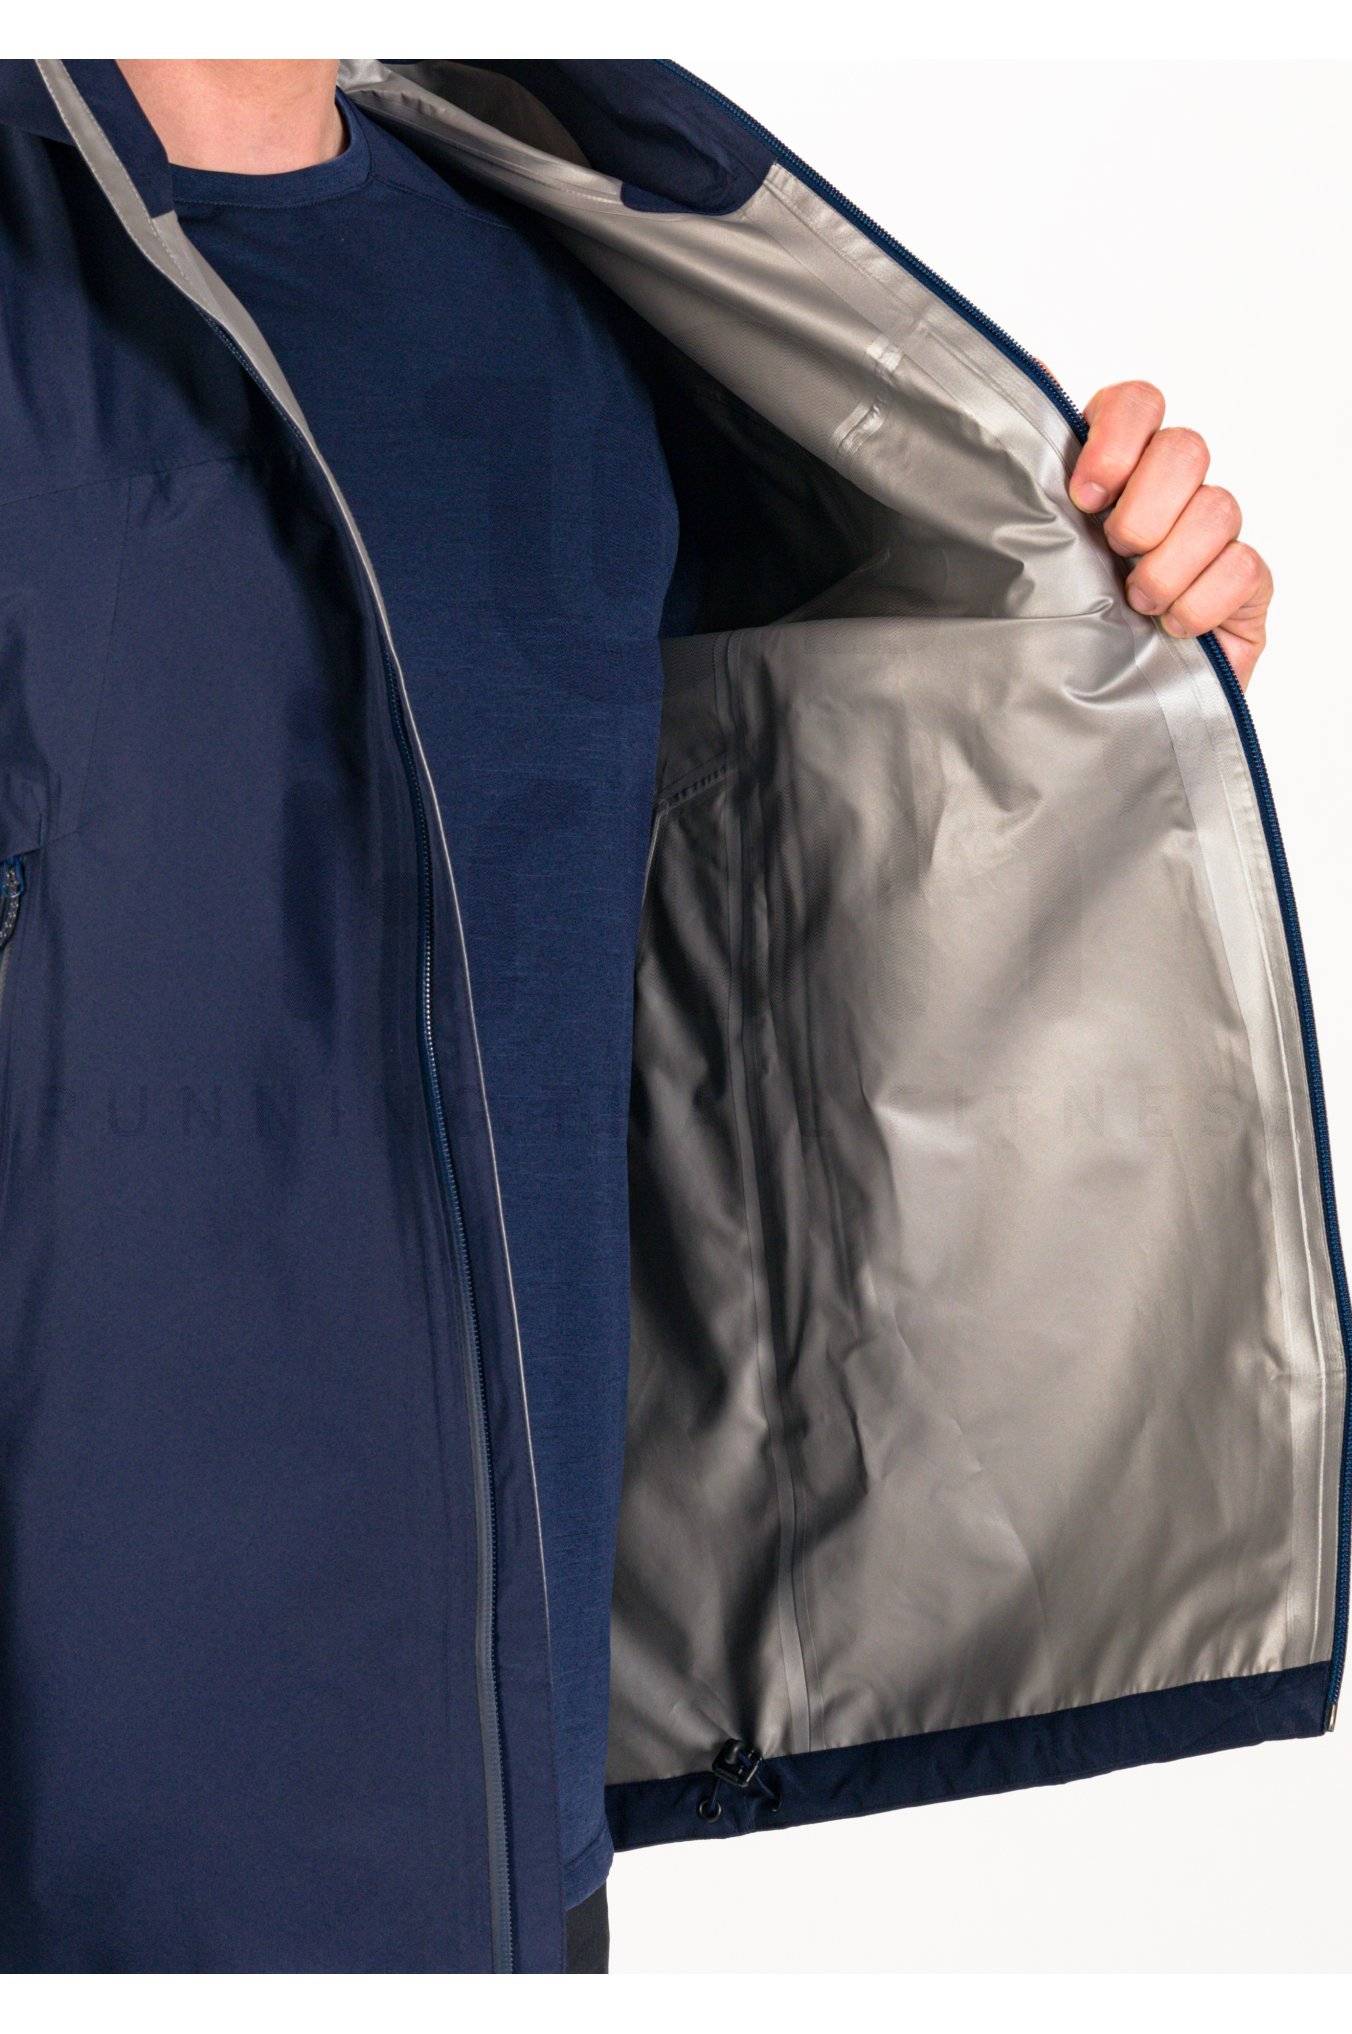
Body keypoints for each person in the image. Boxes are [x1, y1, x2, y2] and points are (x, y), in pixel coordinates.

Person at [0, 58, 1303, 1977]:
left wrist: (1084, 664)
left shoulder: (561, 286)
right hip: (93, 1860)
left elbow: (773, 878)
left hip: (502, 1857)